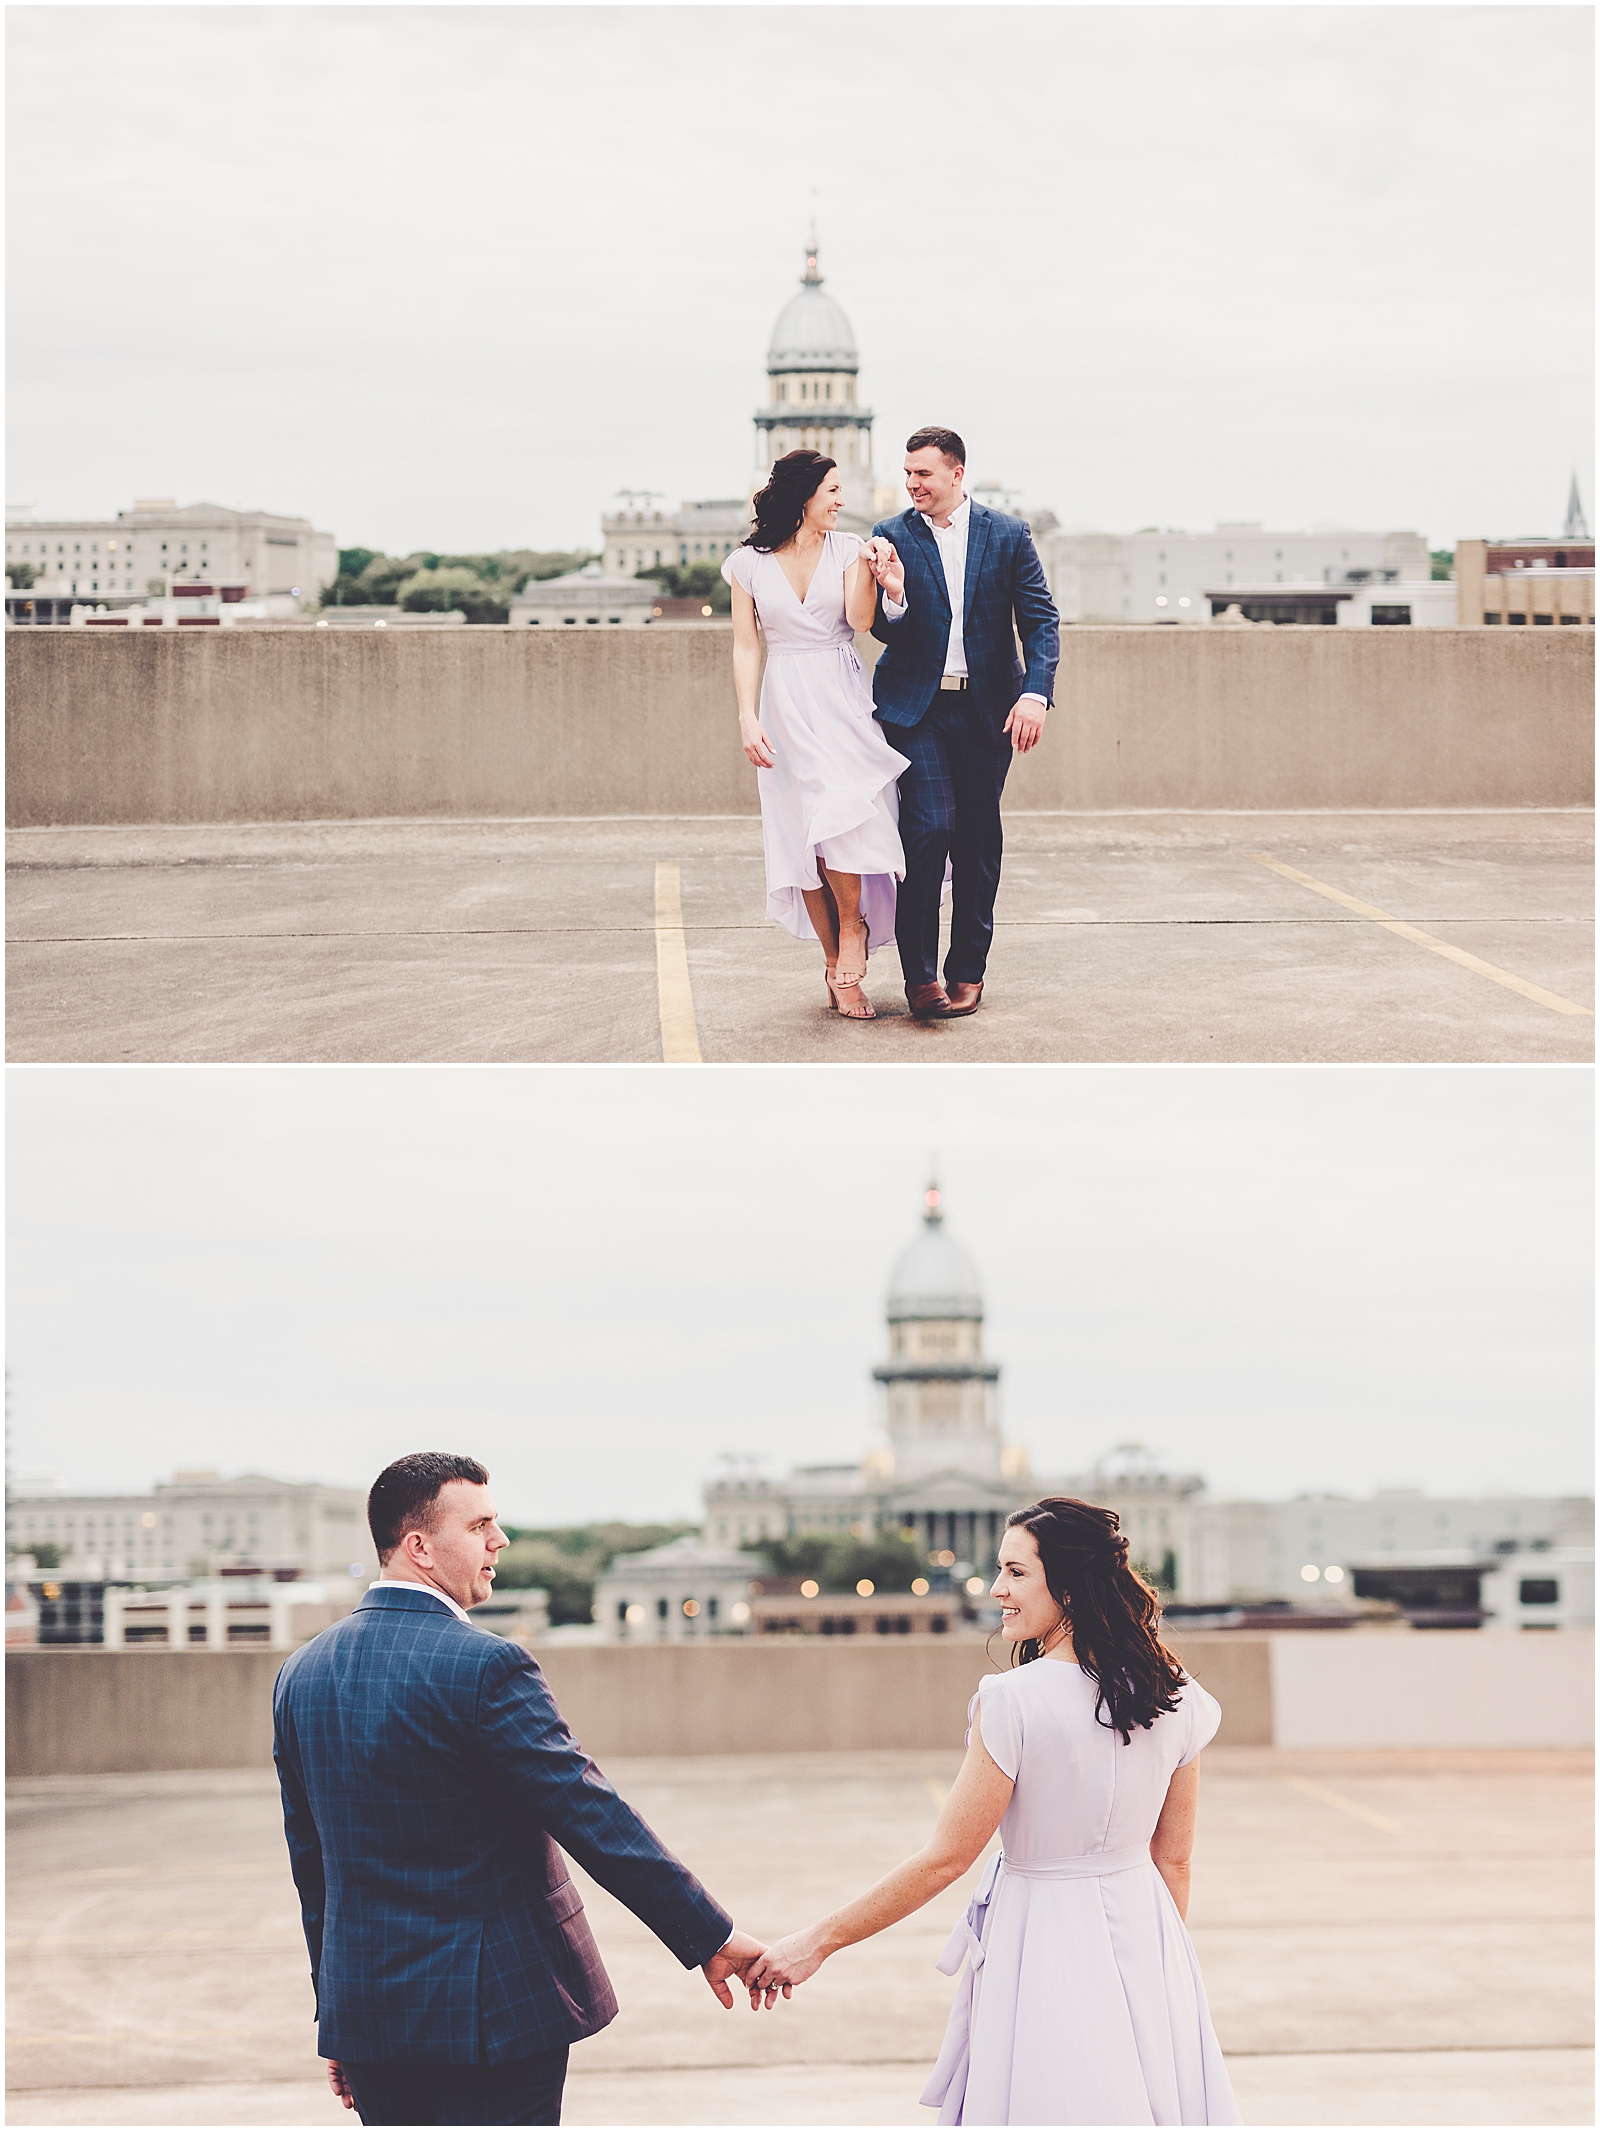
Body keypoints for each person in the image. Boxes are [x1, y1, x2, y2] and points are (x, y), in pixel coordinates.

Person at [272, 1452, 770, 2127]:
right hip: (494, 2012)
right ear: (419, 1545)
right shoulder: (486, 1666)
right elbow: (590, 1813)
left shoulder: (300, 1674)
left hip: (370, 2015)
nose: (498, 1541)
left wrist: (336, 2012)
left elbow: (314, 1868)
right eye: (480, 1525)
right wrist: (709, 1935)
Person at [745, 1496, 1241, 2127]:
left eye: (1016, 1572)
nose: (997, 1588)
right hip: (1153, 1936)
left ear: (1068, 1582)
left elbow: (946, 1859)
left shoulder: (1013, 1700)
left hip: (1042, 1935)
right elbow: (1172, 1858)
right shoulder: (1178, 1694)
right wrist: (1162, 1967)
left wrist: (817, 1943)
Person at [866, 428, 1061, 1021]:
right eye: (907, 474)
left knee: (977, 840)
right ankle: (920, 979)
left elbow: (1040, 620)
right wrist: (894, 596)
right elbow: (880, 627)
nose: (912, 484)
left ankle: (967, 970)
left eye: (923, 474)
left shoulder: (1007, 534)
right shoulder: (890, 535)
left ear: (956, 473)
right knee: (928, 831)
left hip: (987, 710)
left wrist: (1035, 693)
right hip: (915, 708)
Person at [724, 449, 912, 1021]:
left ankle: (854, 927)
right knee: (801, 834)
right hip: (784, 702)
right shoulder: (746, 564)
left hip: (841, 695)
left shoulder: (852, 550)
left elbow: (859, 623)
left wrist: (879, 574)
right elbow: (746, 644)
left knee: (843, 813)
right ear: (803, 494)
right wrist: (747, 716)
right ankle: (837, 971)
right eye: (832, 490)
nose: (841, 500)